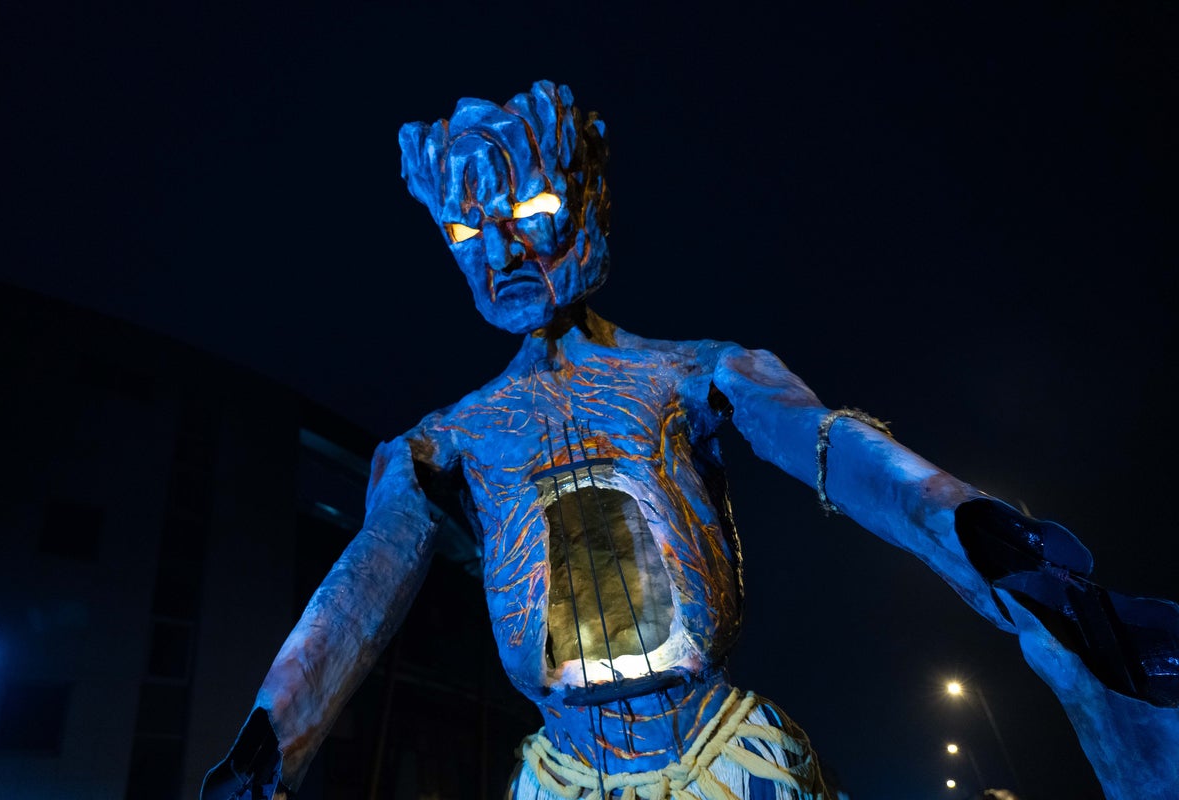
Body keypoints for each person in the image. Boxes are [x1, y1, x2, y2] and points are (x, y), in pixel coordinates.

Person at [202, 81, 1178, 800]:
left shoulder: (697, 371)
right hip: (562, 776)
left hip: (728, 757)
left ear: (583, 195)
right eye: (470, 233)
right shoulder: (444, 441)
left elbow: (825, 443)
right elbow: (363, 582)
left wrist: (983, 538)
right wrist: (264, 745)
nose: (503, 255)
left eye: (532, 213)